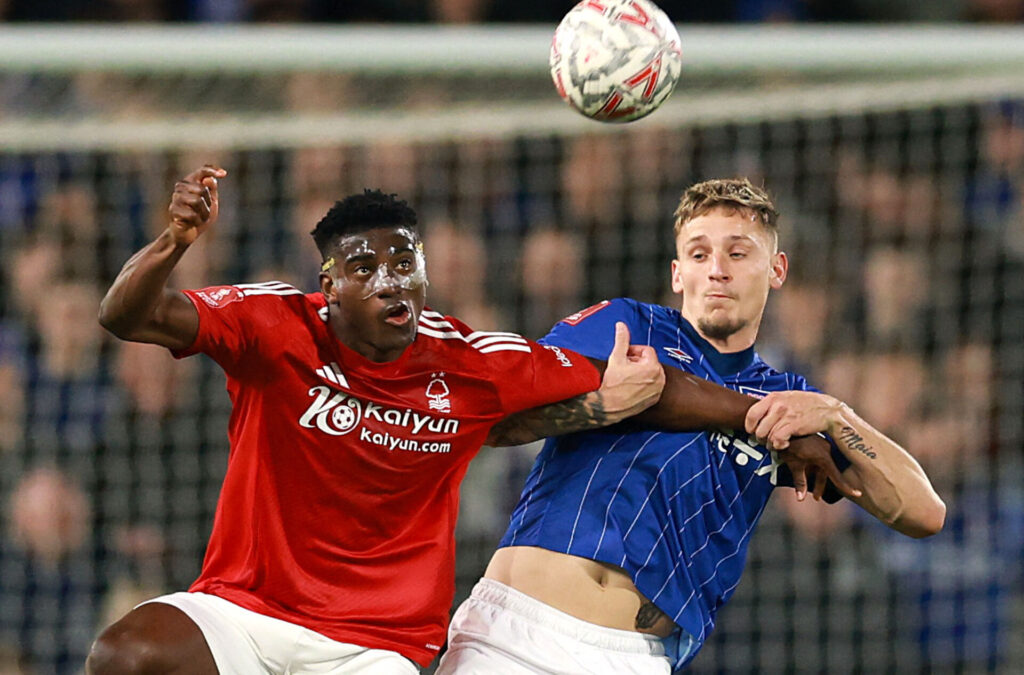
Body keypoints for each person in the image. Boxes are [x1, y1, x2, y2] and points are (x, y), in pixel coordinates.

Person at [86, 167, 845, 674]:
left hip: (373, 647)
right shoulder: (274, 323)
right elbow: (127, 314)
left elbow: (652, 386)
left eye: (406, 263)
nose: (391, 280)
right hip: (249, 604)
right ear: (328, 285)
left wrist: (767, 417)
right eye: (365, 267)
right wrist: (175, 242)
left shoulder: (469, 360)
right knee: (126, 653)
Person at [439, 179, 946, 674]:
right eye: (700, 255)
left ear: (777, 269)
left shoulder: (789, 402)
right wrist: (605, 404)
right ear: (678, 274)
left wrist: (839, 415)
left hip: (638, 659)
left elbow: (924, 513)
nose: (717, 271)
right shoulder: (626, 326)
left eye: (738, 254)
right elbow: (500, 423)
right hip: (517, 634)